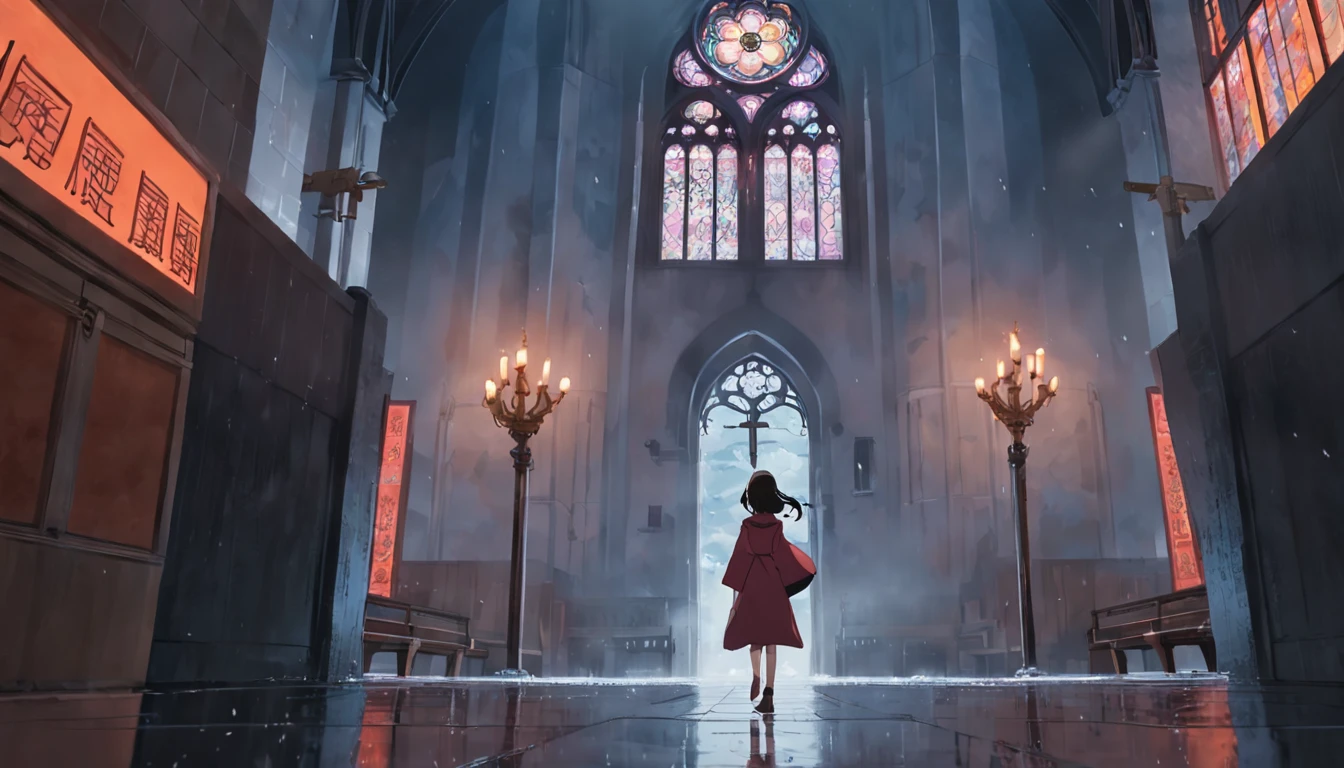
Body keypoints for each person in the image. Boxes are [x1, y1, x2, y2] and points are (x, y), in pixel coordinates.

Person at [722, 470, 816, 714]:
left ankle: (756, 676)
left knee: (755, 639)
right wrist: (801, 572)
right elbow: (783, 555)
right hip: (772, 585)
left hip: (752, 583)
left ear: (752, 497)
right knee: (772, 641)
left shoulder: (746, 526)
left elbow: (739, 559)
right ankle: (769, 692)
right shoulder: (776, 526)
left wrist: (736, 597)